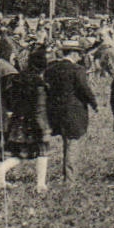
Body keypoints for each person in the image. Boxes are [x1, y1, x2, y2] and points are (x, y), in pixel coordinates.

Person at [0, 48, 50, 193]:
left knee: (18, 153)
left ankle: (0, 171)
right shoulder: (39, 83)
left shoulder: (18, 78)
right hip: (33, 123)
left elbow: (9, 99)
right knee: (42, 152)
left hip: (17, 121)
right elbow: (39, 108)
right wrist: (44, 127)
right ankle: (41, 185)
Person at [44, 41, 98, 180]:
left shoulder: (51, 68)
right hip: (73, 110)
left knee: (65, 140)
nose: (80, 56)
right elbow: (84, 89)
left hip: (55, 110)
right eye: (79, 53)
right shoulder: (77, 70)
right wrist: (94, 103)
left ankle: (66, 174)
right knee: (73, 141)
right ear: (74, 53)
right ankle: (70, 178)